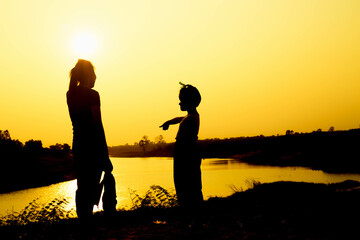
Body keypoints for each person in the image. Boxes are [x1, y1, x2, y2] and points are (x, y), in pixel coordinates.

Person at [66, 59, 115, 223]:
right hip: (93, 146)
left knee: (82, 186)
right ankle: (89, 221)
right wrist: (105, 154)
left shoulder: (70, 94)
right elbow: (97, 125)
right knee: (93, 185)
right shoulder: (93, 95)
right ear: (90, 74)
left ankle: (83, 222)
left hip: (78, 144)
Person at [160, 83, 203, 217]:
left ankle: (192, 215)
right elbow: (179, 119)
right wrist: (168, 122)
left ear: (188, 102)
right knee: (188, 185)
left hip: (186, 156)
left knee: (187, 185)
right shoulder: (190, 116)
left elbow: (187, 141)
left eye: (181, 101)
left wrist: (183, 156)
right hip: (185, 155)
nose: (179, 104)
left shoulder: (190, 119)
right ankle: (191, 214)